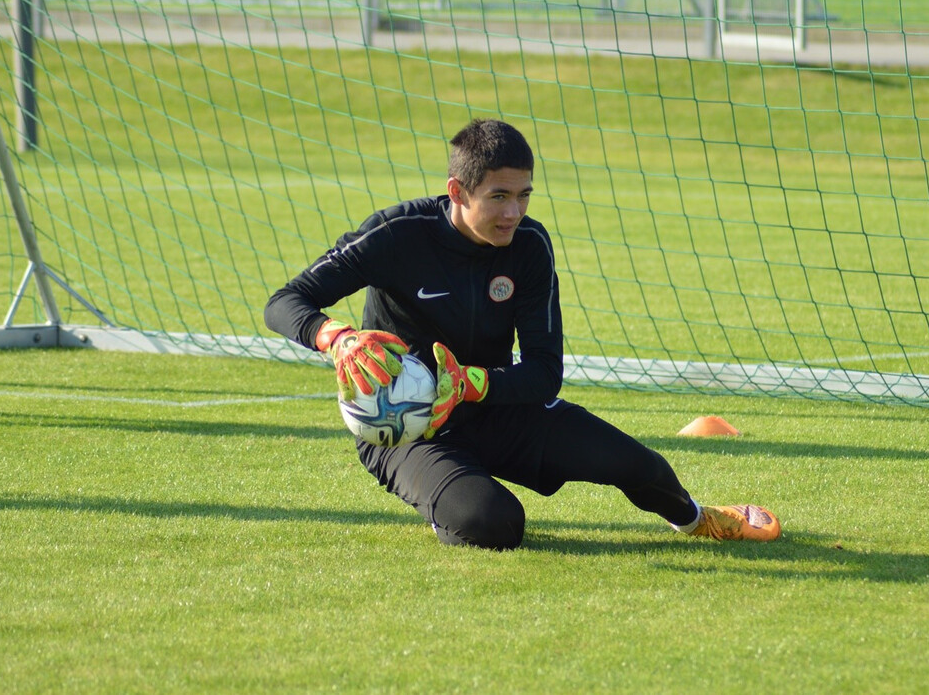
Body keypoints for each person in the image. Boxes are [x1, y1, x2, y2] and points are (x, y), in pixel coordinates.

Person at [264, 119, 780, 550]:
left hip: (493, 406)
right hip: (408, 430)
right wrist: (338, 338)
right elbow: (285, 302)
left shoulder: (529, 247)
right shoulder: (397, 235)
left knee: (636, 463)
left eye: (524, 195)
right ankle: (445, 491)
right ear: (457, 192)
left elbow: (543, 373)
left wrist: (471, 385)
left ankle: (697, 519)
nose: (514, 212)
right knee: (492, 523)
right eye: (499, 197)